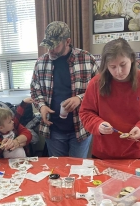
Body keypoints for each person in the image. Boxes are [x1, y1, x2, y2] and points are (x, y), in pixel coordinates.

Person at [79, 38, 140, 159]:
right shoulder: (96, 83)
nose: (118, 71)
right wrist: (98, 124)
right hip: (103, 153)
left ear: (132, 59)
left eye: (123, 65)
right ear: (106, 66)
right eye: (112, 67)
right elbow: (85, 113)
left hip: (135, 152)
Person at [30, 21, 98, 158]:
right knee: (58, 170)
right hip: (53, 130)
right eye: (48, 46)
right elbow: (35, 90)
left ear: (68, 41)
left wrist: (79, 99)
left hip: (80, 127)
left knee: (78, 170)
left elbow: (100, 91)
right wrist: (41, 106)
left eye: (55, 46)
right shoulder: (41, 63)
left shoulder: (87, 59)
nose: (50, 50)